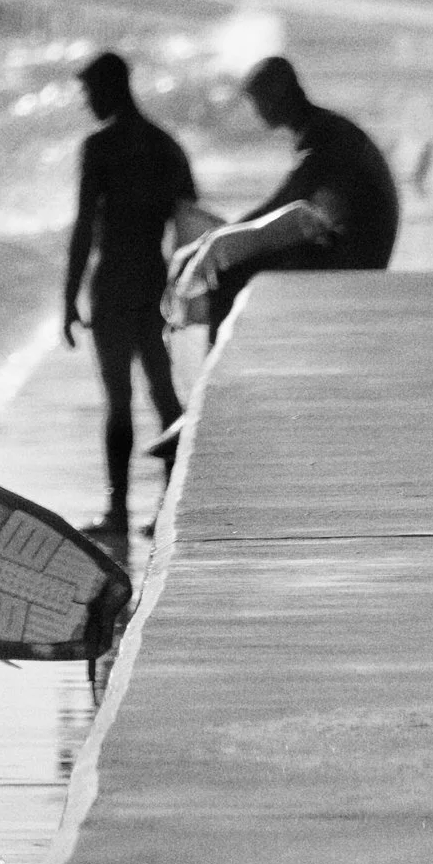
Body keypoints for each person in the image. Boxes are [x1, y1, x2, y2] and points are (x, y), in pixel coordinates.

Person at [62, 52, 199, 543]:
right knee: (166, 399)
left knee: (118, 402)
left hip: (112, 286)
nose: (87, 102)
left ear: (110, 87)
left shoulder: (99, 146)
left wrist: (68, 297)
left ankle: (118, 511)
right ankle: (171, 506)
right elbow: (191, 222)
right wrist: (188, 291)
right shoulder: (166, 146)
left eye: (90, 92)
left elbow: (83, 226)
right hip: (154, 284)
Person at [185, 57, 400, 337]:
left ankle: (219, 366)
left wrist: (216, 239)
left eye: (257, 101)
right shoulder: (327, 127)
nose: (256, 111)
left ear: (275, 97)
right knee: (251, 252)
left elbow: (284, 205)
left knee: (229, 272)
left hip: (356, 256)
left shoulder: (322, 136)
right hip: (361, 247)